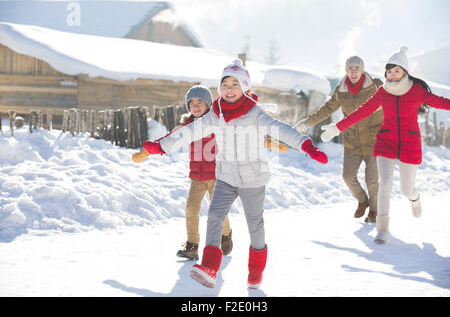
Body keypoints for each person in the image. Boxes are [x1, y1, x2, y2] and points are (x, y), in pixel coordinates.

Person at [141, 59, 328, 288]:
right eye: (225, 85)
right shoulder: (215, 115)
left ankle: (256, 271)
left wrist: (306, 145)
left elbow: (280, 129)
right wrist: (163, 145)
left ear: (245, 88)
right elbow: (190, 131)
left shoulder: (255, 114)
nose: (229, 90)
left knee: (255, 224)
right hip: (226, 177)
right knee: (214, 216)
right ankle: (209, 266)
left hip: (253, 178)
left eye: (235, 84)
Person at [320, 47, 450, 244]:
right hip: (386, 142)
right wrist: (337, 127)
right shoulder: (383, 92)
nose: (392, 74)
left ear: (405, 72)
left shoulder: (416, 90)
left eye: (396, 71)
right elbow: (362, 111)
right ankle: (382, 229)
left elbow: (439, 102)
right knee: (385, 185)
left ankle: (415, 198)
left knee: (407, 190)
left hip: (409, 144)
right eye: (389, 71)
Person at [132, 85, 233, 260]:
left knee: (217, 211)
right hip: (197, 177)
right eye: (191, 103)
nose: (195, 106)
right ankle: (192, 246)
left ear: (208, 104)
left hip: (217, 175)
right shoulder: (186, 126)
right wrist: (147, 151)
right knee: (191, 209)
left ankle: (225, 234)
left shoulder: (217, 122)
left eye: (200, 102)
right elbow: (168, 140)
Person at [296, 55, 382, 222]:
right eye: (350, 68)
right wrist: (308, 122)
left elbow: (391, 100)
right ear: (346, 70)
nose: (353, 71)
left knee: (372, 179)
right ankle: (362, 200)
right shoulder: (341, 90)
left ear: (363, 69)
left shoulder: (376, 85)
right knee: (348, 176)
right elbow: (327, 108)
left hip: (374, 139)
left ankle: (375, 210)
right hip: (352, 140)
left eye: (357, 68)